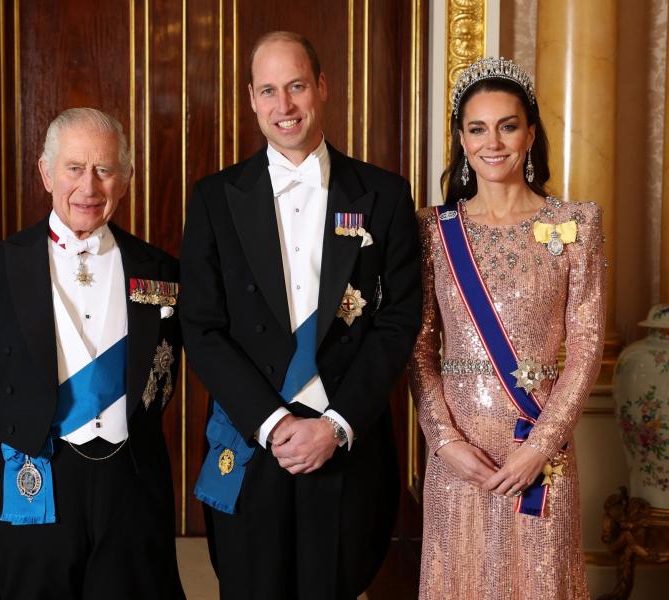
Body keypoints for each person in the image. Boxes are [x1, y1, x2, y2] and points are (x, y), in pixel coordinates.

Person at [181, 31, 422, 599]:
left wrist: (334, 425)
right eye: (268, 91)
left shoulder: (383, 194)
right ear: (251, 99)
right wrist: (276, 425)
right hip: (252, 438)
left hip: (342, 438)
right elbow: (202, 327)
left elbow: (399, 319)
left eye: (295, 87)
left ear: (322, 87)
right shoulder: (215, 197)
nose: (283, 106)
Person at [0, 107, 185, 600]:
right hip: (36, 475)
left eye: (105, 169)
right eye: (74, 168)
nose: (89, 187)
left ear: (125, 179)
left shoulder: (163, 271)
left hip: (130, 484)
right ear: (45, 173)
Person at [409, 56, 604, 599]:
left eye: (507, 125)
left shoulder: (576, 224)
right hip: (460, 457)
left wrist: (540, 446)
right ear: (462, 140)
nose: (492, 142)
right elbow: (420, 347)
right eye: (477, 128)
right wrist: (444, 441)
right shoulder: (434, 230)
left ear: (531, 133)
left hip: (538, 452)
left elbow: (587, 345)